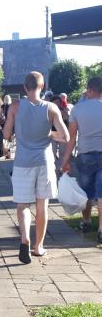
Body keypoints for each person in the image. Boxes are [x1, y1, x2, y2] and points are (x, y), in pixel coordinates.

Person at [3, 71, 69, 264]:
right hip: (44, 161)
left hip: (23, 162)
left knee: (23, 205)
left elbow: (6, 134)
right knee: (42, 206)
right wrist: (50, 134)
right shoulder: (51, 108)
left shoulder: (15, 106)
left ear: (25, 87)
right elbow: (65, 136)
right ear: (42, 87)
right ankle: (38, 247)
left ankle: (24, 238)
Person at [61, 77, 102, 240]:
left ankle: (85, 221)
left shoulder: (77, 109)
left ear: (90, 90)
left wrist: (65, 159)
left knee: (86, 192)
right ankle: (101, 229)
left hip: (85, 154)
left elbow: (72, 138)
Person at [50, 95, 69, 175]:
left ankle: (60, 168)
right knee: (52, 152)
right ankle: (52, 168)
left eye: (58, 102)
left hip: (62, 135)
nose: (57, 103)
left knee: (62, 152)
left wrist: (64, 115)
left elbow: (67, 120)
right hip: (52, 134)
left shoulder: (64, 110)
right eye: (55, 102)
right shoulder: (49, 111)